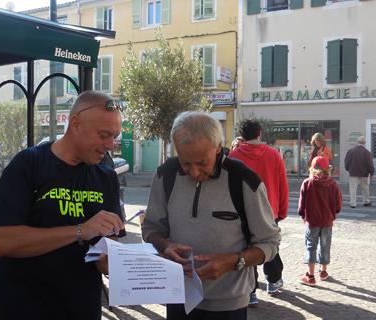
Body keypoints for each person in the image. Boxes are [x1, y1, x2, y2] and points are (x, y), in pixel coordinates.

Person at [0, 91, 125, 320]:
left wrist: (112, 262)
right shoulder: (28, 164)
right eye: (104, 135)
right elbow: (3, 242)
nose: (110, 145)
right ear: (76, 124)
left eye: (115, 137)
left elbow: (107, 247)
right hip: (28, 307)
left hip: (83, 308)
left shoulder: (106, 177)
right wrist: (81, 230)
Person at [142, 111, 280, 320]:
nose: (194, 172)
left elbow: (270, 243)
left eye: (201, 162)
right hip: (178, 295)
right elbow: (151, 229)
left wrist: (234, 261)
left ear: (217, 148)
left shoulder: (243, 180)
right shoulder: (165, 174)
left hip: (229, 304)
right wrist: (165, 245)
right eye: (185, 163)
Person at [229, 119, 288, 304]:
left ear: (242, 135)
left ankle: (251, 292)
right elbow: (282, 184)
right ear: (259, 133)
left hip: (242, 211)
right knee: (270, 246)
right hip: (270, 209)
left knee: (247, 249)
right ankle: (273, 281)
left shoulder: (233, 156)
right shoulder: (274, 154)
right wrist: (282, 211)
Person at [298, 156, 342, 286]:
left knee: (311, 245)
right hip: (327, 221)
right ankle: (323, 272)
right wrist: (333, 214)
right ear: (327, 169)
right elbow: (338, 204)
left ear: (312, 168)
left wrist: (303, 216)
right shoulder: (333, 184)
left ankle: (310, 275)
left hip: (312, 221)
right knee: (325, 245)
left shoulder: (307, 183)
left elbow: (302, 204)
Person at [344, 136, 374, 208]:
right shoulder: (367, 152)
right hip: (364, 174)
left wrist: (348, 169)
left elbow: (346, 162)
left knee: (353, 189)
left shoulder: (351, 151)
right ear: (364, 143)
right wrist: (371, 173)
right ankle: (366, 201)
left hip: (353, 173)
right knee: (365, 188)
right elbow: (370, 164)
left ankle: (353, 203)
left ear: (357, 142)